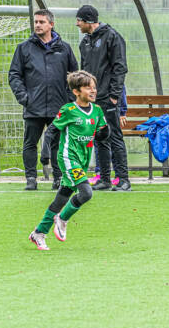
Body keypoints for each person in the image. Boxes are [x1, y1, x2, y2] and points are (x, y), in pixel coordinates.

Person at [28, 71, 109, 251]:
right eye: (88, 88)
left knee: (61, 198)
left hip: (83, 160)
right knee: (86, 193)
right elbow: (51, 132)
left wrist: (104, 132)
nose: (93, 91)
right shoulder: (68, 110)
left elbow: (103, 133)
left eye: (94, 88)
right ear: (76, 91)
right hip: (68, 158)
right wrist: (45, 152)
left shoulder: (97, 110)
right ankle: (62, 219)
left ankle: (39, 233)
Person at [9, 9, 78, 190]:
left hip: (59, 106)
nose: (38, 25)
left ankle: (58, 177)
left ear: (51, 25)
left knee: (57, 143)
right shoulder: (24, 48)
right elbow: (14, 75)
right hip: (34, 106)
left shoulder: (65, 48)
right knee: (30, 143)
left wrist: (70, 100)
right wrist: (24, 97)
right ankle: (31, 178)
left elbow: (75, 76)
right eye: (36, 22)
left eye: (41, 22)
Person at [75, 5, 131, 192]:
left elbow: (120, 68)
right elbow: (84, 73)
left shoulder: (112, 37)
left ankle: (123, 179)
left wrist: (115, 95)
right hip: (92, 100)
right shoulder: (85, 43)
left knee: (114, 136)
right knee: (99, 137)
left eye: (79, 20)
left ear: (89, 21)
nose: (77, 24)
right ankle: (105, 178)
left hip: (108, 98)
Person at [90, 85, 128, 186]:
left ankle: (120, 176)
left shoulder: (114, 78)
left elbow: (120, 87)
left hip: (111, 106)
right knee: (100, 139)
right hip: (98, 105)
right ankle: (102, 175)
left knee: (114, 140)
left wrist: (122, 112)